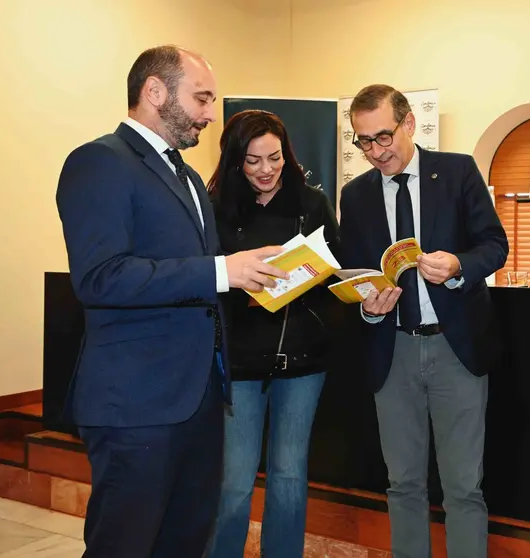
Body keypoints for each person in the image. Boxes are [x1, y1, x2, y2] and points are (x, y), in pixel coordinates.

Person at [54, 45, 287, 558]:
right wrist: (225, 270)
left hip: (198, 399)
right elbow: (101, 277)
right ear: (154, 92)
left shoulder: (184, 175)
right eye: (201, 98)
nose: (210, 114)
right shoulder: (99, 161)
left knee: (185, 542)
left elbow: (192, 276)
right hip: (136, 403)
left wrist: (251, 274)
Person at [338, 84, 508, 558]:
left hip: (457, 349)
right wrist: (367, 305)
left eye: (383, 136)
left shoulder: (456, 172)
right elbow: (354, 272)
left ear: (409, 123)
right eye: (363, 141)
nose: (375, 151)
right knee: (402, 483)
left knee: (463, 487)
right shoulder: (355, 196)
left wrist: (458, 266)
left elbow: (494, 245)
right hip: (391, 352)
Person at [205, 110, 340, 557]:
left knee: (288, 477)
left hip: (301, 361)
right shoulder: (216, 206)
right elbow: (205, 280)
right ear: (234, 162)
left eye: (275, 158)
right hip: (240, 363)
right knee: (235, 480)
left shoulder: (312, 203)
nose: (266, 169)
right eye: (253, 160)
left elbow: (334, 275)